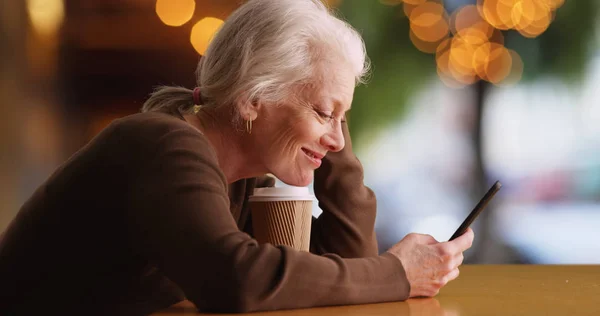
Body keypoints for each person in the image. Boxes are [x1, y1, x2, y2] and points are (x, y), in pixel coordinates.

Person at [0, 0, 474, 314]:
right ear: (252, 98)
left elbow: (349, 265)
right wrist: (398, 273)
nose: (336, 141)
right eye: (325, 113)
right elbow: (236, 280)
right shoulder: (166, 146)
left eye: (342, 120)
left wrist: (329, 115)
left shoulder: (238, 175)